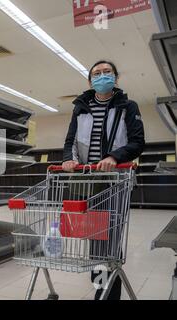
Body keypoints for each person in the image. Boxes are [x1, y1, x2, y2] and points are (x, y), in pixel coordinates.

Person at [62, 60, 145, 300]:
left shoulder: (128, 106)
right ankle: (101, 288)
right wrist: (69, 159)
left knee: (109, 240)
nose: (102, 77)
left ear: (116, 78)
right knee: (94, 240)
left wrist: (114, 157)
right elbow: (70, 142)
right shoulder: (80, 107)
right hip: (87, 183)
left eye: (107, 72)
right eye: (96, 74)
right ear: (90, 81)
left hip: (115, 182)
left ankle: (107, 295)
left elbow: (137, 142)